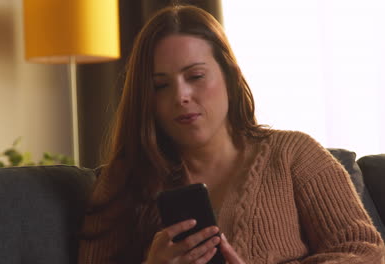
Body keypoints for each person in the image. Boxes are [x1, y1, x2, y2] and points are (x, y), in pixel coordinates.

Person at [78, 4, 385, 264]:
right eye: (161, 85)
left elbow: (365, 251)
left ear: (230, 75)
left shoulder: (293, 154)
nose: (181, 95)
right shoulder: (123, 181)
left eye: (195, 76)